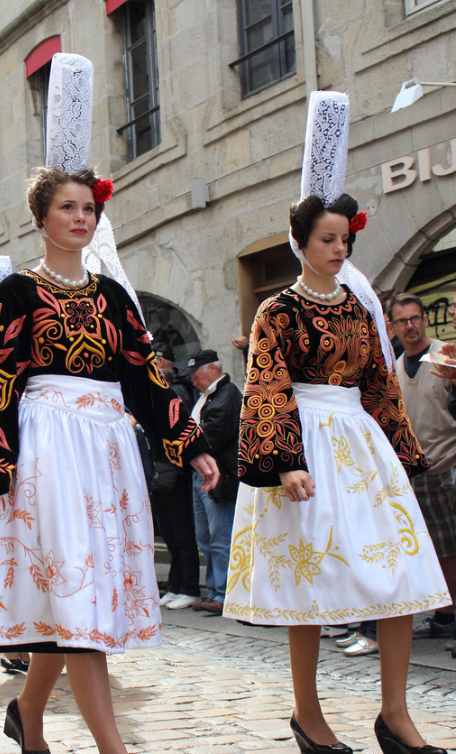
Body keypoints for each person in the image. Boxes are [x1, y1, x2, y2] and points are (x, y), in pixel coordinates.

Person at [0, 53, 218, 754]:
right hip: (46, 450)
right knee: (73, 596)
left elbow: (148, 377)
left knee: (77, 601)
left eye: (88, 208)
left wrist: (191, 443)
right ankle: (112, 746)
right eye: (66, 207)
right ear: (40, 216)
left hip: (105, 449)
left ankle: (27, 714)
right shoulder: (17, 294)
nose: (79, 217)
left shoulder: (113, 298)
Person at [223, 91, 450, 754]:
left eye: (344, 240)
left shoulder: (359, 306)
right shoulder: (278, 312)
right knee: (308, 586)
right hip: (308, 452)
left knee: (400, 578)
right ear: (299, 242)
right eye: (326, 239)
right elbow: (265, 387)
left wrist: (404, 454)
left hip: (362, 447)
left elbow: (380, 383)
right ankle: (307, 715)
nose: (337, 249)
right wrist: (285, 461)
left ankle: (395, 715)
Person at [386, 292, 456, 652]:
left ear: (425, 319)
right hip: (422, 471)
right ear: (393, 327)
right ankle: (446, 615)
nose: (410, 326)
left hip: (452, 464)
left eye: (415, 318)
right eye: (402, 321)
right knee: (440, 550)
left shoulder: (446, 356)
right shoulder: (395, 369)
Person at [179, 350, 242, 614]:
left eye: (196, 376)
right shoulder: (206, 395)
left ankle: (224, 592)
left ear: (213, 371)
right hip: (201, 473)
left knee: (220, 537)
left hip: (219, 475)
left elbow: (212, 433)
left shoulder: (227, 393)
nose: (194, 382)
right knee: (205, 537)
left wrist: (186, 436)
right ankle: (215, 589)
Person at [149, 343, 201, 611]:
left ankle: (189, 586)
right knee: (170, 534)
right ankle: (177, 584)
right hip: (161, 472)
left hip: (175, 472)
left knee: (182, 533)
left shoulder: (177, 392)